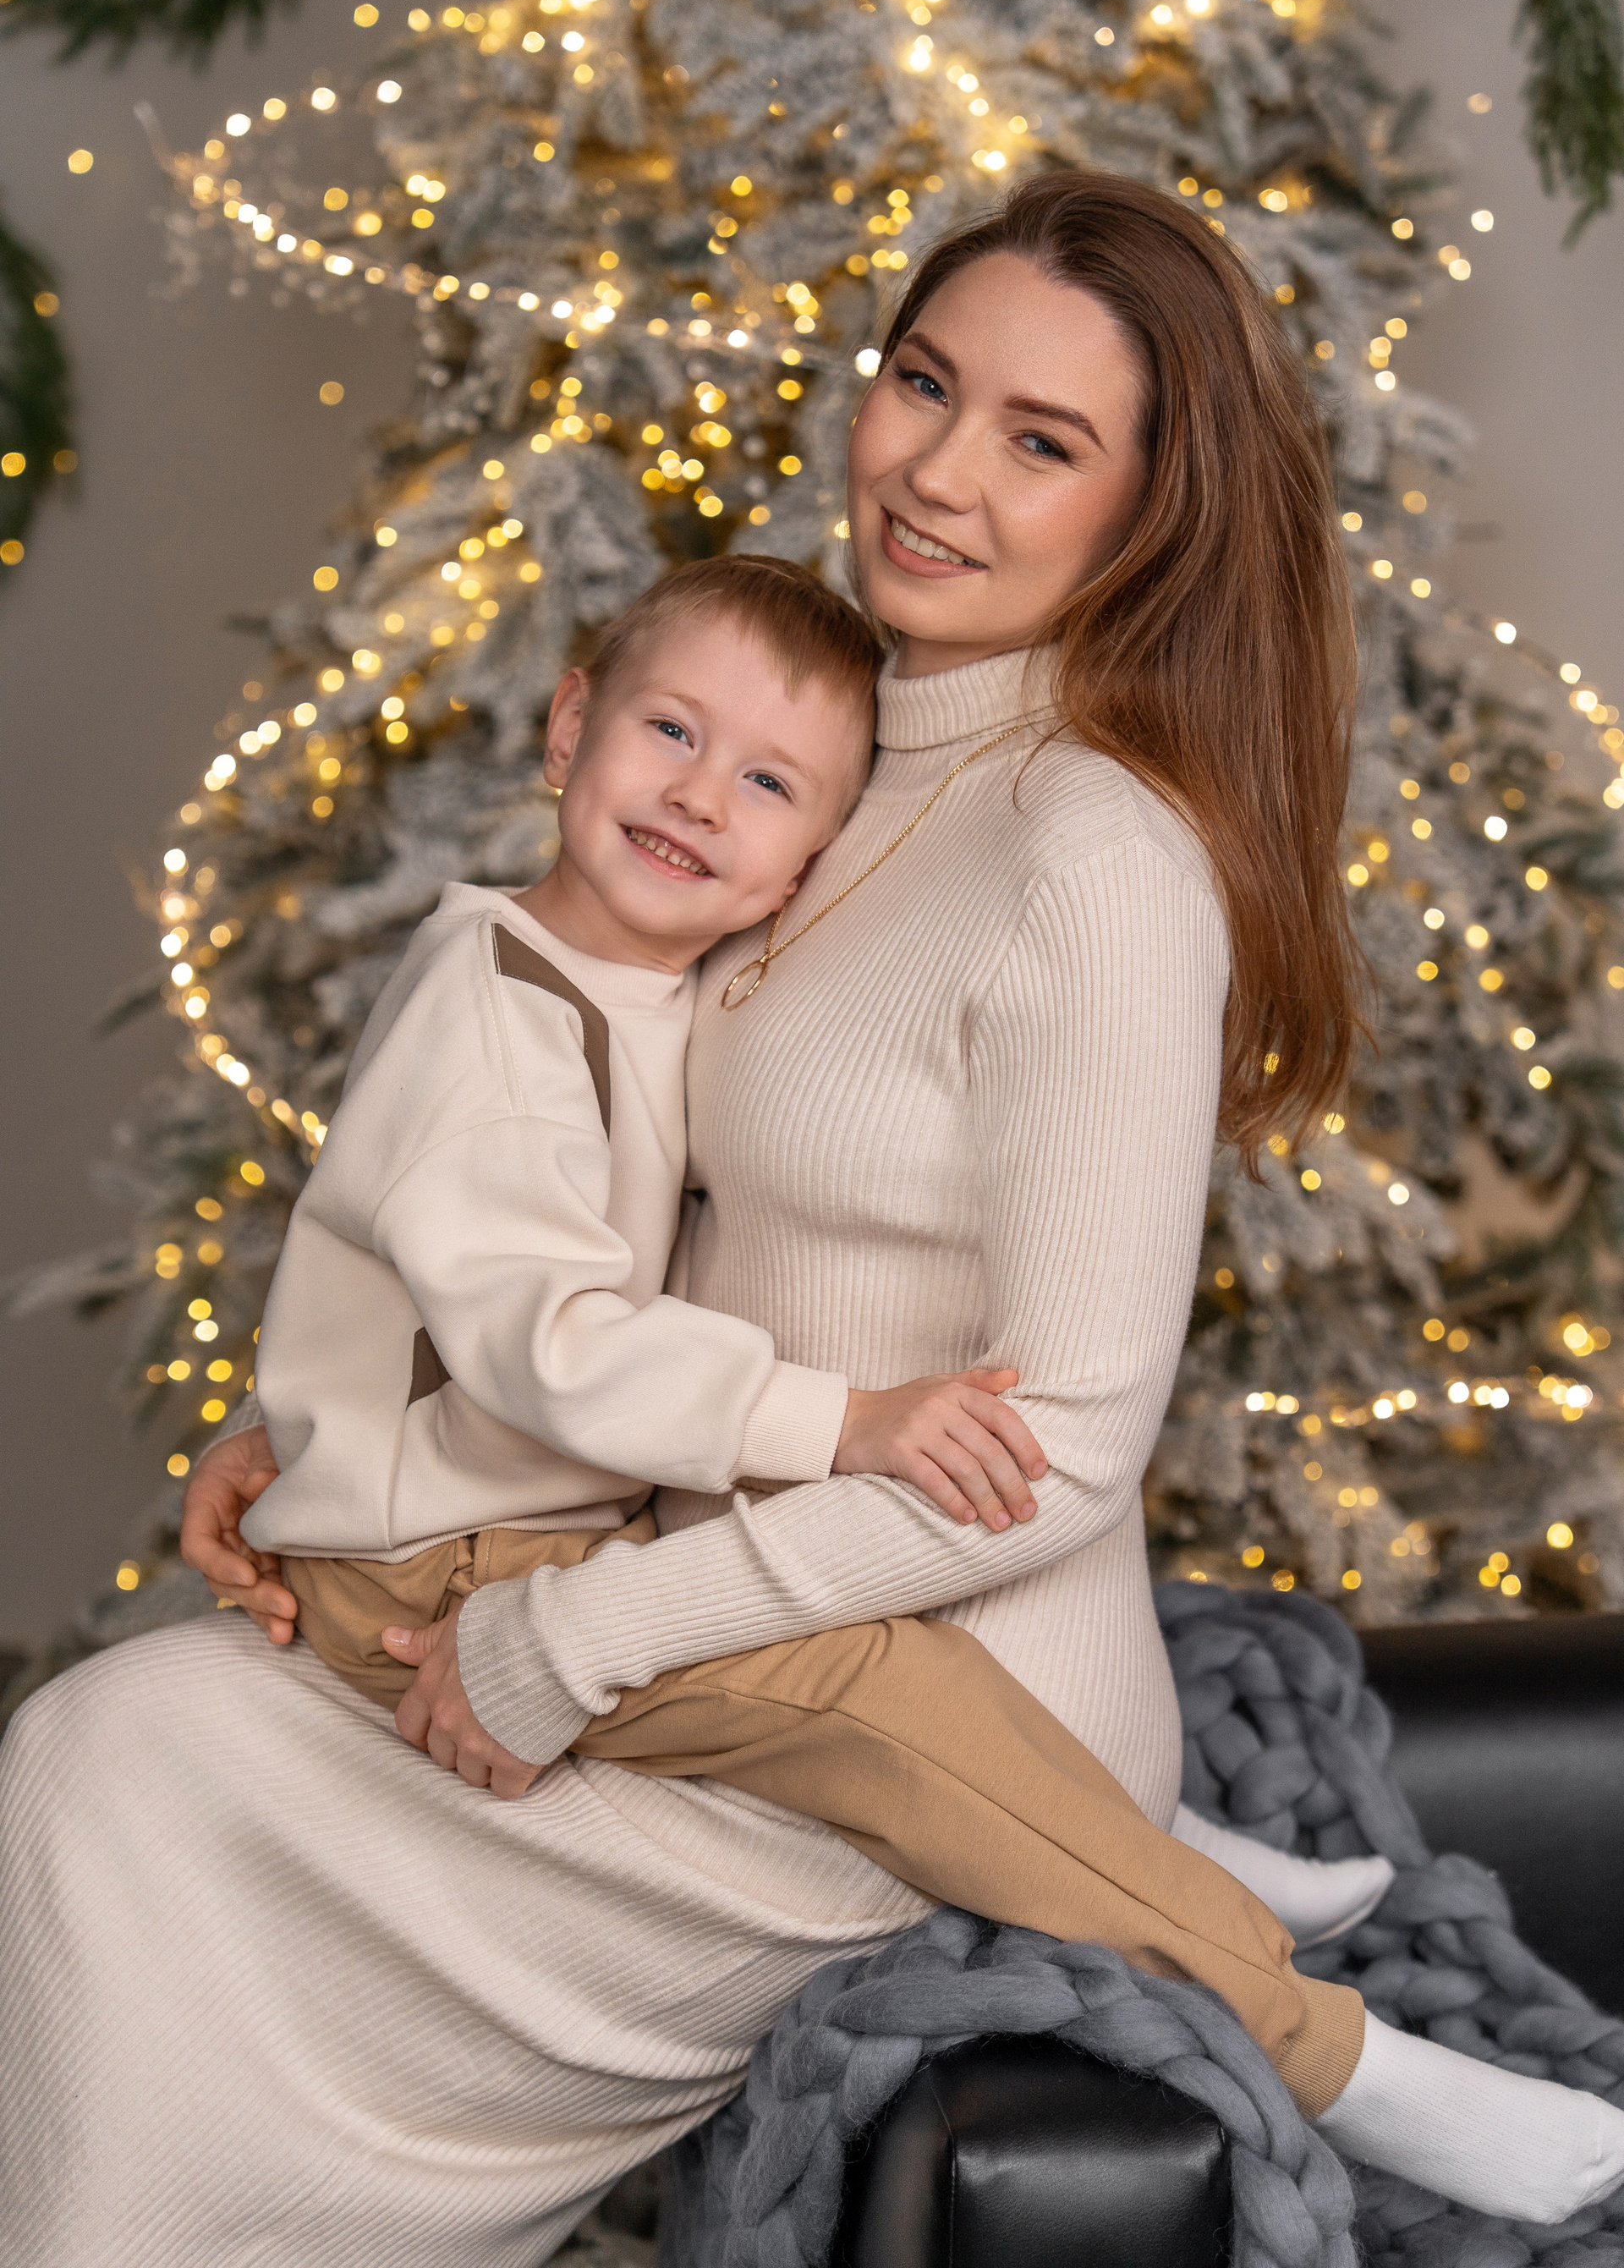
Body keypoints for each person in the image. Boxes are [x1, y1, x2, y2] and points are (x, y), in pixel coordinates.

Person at [4, 172, 1620, 2268]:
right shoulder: (820, 760)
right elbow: (619, 1203)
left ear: (1151, 514)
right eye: (923, 384)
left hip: (896, 1715)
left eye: (1040, 441)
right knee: (107, 1747)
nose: (937, 473)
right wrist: (342, 1434)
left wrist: (575, 1639)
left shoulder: (1096, 857)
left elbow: (1060, 1446)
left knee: (138, 1806)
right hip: (694, 1614)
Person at [213, 540, 1383, 2106]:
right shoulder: (505, 1013)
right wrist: (848, 1422)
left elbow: (441, 1256)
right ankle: (1335, 2053)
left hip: (525, 1515)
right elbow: (547, 1340)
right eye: (670, 731)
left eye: (769, 786)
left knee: (865, 1664)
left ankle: (1138, 1844)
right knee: (877, 1698)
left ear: (811, 869)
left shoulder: (646, 980)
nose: (701, 797)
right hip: (438, 1565)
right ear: (569, 729)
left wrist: (289, 1412)